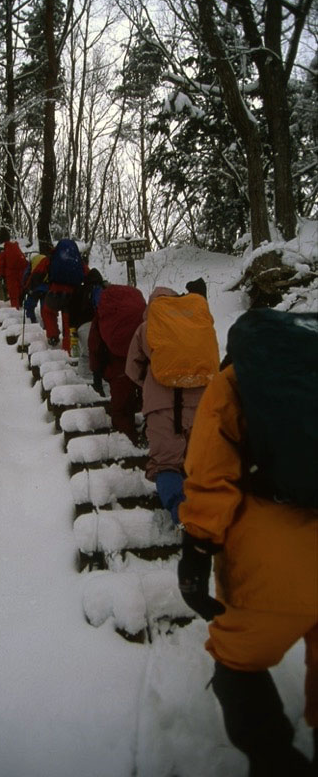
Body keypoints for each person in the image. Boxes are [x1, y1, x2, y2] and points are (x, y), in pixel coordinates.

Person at [177, 327, 318, 775]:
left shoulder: (234, 383)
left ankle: (275, 761)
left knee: (237, 661)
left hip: (272, 558)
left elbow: (211, 472)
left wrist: (197, 547)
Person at [125, 279, 215, 522]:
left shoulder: (146, 328)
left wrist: (151, 386)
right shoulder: (194, 322)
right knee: (197, 460)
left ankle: (181, 513)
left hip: (161, 406)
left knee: (166, 464)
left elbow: (132, 368)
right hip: (200, 404)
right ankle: (205, 511)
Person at [88, 283, 146, 446]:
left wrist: (96, 372)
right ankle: (150, 436)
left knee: (120, 409)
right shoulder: (135, 298)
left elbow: (95, 345)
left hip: (118, 366)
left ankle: (128, 443)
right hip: (142, 360)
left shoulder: (104, 311)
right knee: (148, 401)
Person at [42, 239, 88, 352]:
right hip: (73, 296)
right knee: (69, 324)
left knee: (47, 311)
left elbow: (39, 271)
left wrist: (29, 286)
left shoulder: (53, 257)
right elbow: (88, 274)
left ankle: (53, 336)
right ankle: (69, 349)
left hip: (55, 293)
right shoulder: (77, 261)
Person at [68, 268, 105, 378]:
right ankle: (98, 378)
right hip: (99, 324)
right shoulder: (102, 289)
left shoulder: (79, 290)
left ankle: (84, 377)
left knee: (86, 353)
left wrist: (72, 329)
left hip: (82, 326)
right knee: (98, 352)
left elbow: (72, 311)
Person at [0, 239, 28, 310]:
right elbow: (25, 263)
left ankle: (15, 309)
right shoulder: (19, 252)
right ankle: (21, 305)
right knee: (20, 289)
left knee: (13, 292)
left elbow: (1, 265)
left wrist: (2, 274)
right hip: (21, 274)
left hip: (10, 274)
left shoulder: (4, 253)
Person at [21, 253, 50, 323]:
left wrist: (25, 286)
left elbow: (26, 274)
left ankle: (31, 320)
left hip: (34, 287)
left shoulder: (33, 260)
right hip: (46, 287)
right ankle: (47, 323)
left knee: (30, 305)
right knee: (45, 307)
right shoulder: (47, 260)